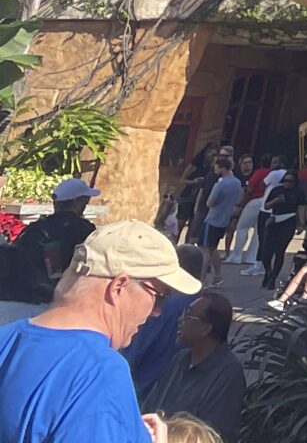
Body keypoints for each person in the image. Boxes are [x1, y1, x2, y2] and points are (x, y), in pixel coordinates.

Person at [0, 218, 200, 443]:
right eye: (159, 298)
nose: (157, 313)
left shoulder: (6, 338)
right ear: (118, 287)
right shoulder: (100, 373)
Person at [145, 291, 244, 442]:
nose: (180, 320)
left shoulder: (228, 373)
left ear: (205, 328)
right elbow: (151, 406)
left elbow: (214, 434)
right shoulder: (179, 359)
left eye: (187, 316)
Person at [0, 181, 103, 325]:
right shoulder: (86, 231)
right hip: (70, 301)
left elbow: (14, 261)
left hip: (31, 296)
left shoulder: (34, 230)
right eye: (85, 200)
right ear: (78, 201)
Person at [123, 247, 209, 398]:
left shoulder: (163, 305)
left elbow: (135, 349)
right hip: (177, 390)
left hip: (145, 386)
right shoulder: (204, 304)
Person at [255, 166, 307, 294]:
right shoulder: (277, 190)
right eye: (285, 181)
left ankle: (273, 278)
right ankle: (268, 271)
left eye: (290, 181)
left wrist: (301, 223)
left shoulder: (298, 192)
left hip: (289, 221)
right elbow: (266, 205)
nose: (287, 184)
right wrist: (276, 200)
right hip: (274, 220)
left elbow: (301, 207)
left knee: (280, 250)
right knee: (266, 251)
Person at [196, 165, 243, 276]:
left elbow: (209, 203)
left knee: (205, 249)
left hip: (213, 219)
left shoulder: (220, 184)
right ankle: (217, 276)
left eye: (217, 168)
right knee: (213, 248)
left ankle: (201, 279)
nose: (215, 171)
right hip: (224, 219)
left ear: (223, 168)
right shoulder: (237, 183)